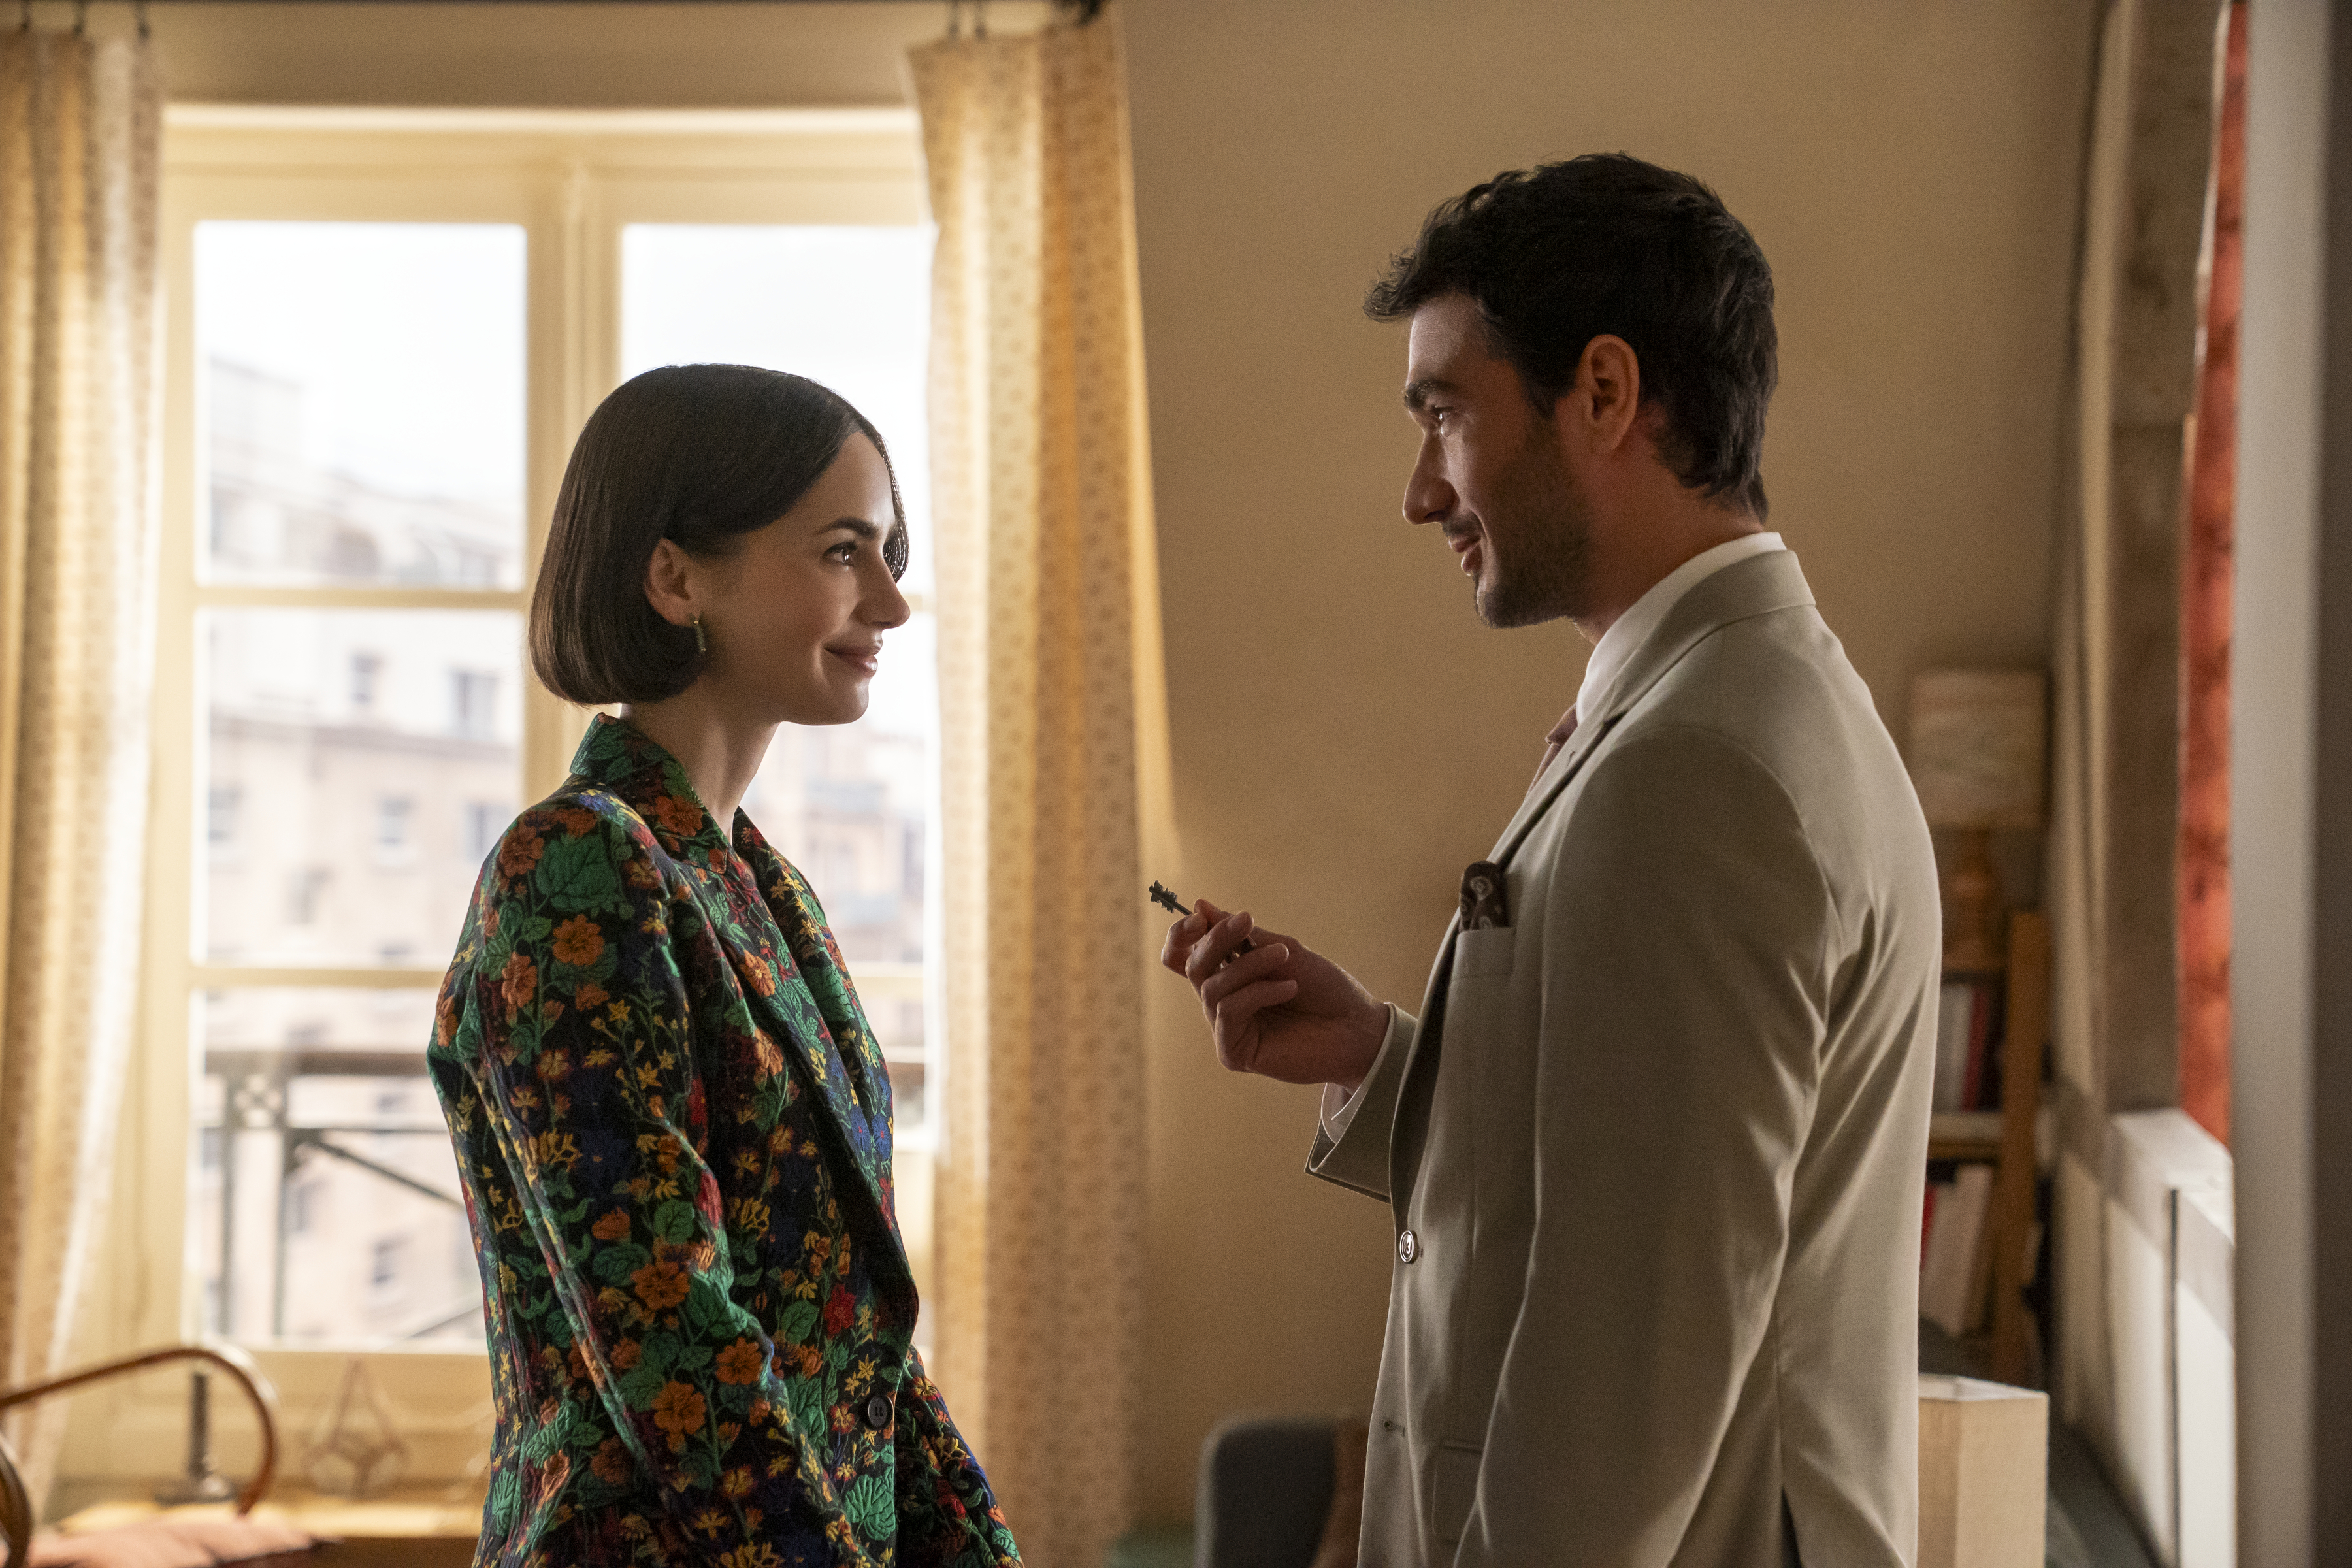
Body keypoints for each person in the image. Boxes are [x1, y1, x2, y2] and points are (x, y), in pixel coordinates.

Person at [1162, 157, 1939, 1567]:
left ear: (1603, 392)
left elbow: (1632, 1347)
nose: (1420, 492)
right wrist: (1390, 1065)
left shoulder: (1700, 765)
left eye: (1446, 416)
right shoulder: (1723, 703)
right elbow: (1640, 1172)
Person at [431, 365, 1019, 1568]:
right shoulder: (574, 870)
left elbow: (858, 1340)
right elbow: (674, 1358)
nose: (894, 606)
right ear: (676, 574)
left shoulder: (762, 888)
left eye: (890, 552)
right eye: (847, 552)